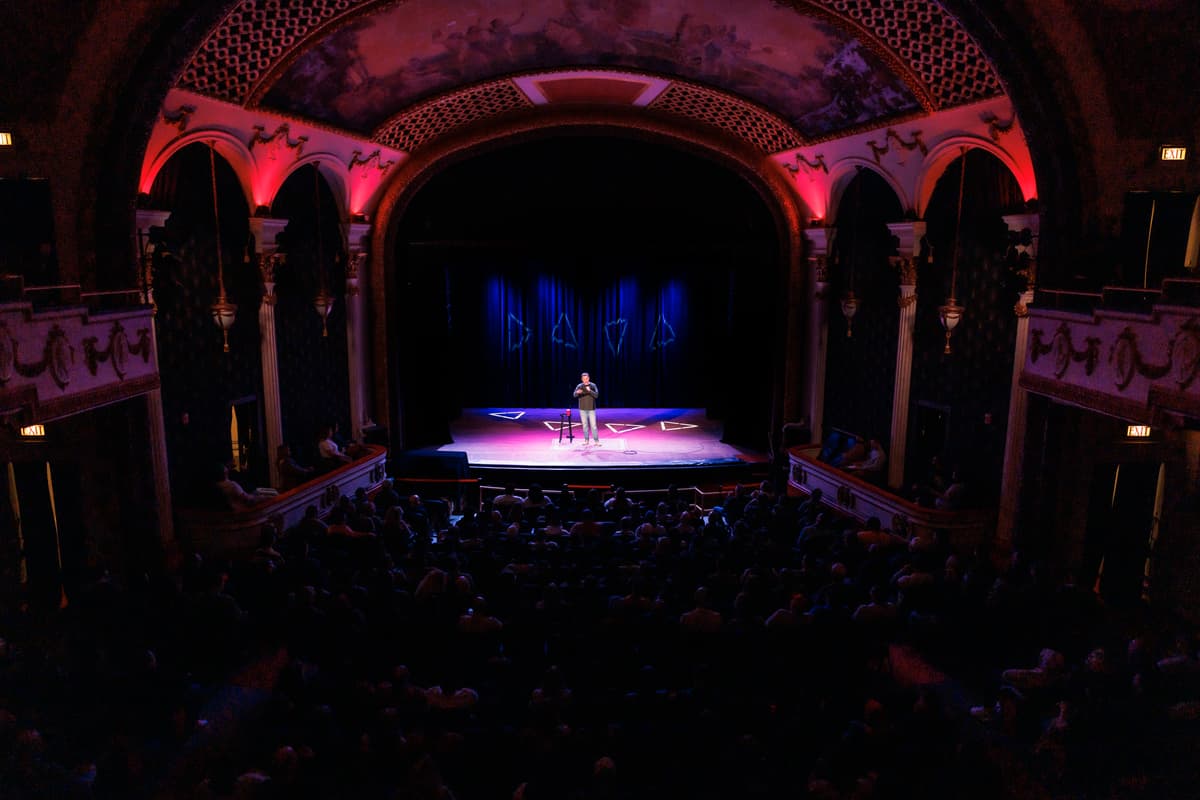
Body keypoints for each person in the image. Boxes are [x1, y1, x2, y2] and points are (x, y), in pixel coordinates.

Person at [573, 371, 600, 446]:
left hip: (591, 409)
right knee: (585, 426)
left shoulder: (593, 385)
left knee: (593, 426)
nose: (585, 380)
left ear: (589, 378)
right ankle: (586, 440)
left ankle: (596, 441)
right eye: (584, 378)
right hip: (582, 409)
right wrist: (577, 392)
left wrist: (590, 390)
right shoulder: (579, 386)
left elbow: (596, 395)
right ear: (582, 379)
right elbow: (574, 395)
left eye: (587, 378)